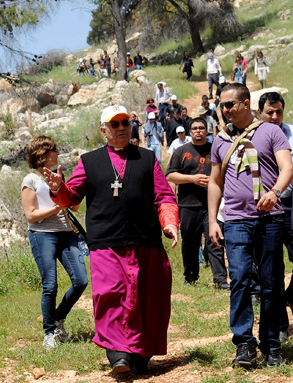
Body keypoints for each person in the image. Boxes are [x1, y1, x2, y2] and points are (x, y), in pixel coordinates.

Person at [45, 105, 179, 375]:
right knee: (110, 296)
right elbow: (72, 199)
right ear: (102, 129)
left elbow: (164, 196)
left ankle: (141, 356)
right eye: (114, 125)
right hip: (107, 243)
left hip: (145, 241)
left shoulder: (148, 158)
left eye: (125, 123)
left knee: (149, 298)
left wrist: (170, 222)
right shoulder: (89, 161)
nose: (121, 129)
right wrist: (59, 188)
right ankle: (118, 355)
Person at [208, 83, 293, 368]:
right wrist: (212, 220)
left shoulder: (271, 131)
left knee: (271, 283)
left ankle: (272, 345)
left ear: (246, 103)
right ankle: (244, 345)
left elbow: (287, 169)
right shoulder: (220, 140)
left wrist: (275, 193)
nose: (225, 109)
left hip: (270, 220)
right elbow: (214, 181)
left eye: (230, 104)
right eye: (222, 105)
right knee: (241, 279)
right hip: (235, 220)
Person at [257, 92, 293, 341]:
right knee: (272, 269)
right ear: (260, 111)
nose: (274, 116)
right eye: (269, 112)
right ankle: (280, 325)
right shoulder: (252, 137)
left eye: (278, 111)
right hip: (263, 210)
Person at [21, 136, 89, 350]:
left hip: (66, 233)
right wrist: (58, 207)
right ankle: (49, 333)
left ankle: (58, 318)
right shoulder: (30, 180)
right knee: (50, 285)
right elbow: (31, 215)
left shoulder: (60, 176)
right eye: (55, 150)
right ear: (43, 153)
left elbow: (74, 207)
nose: (58, 154)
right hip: (42, 235)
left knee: (81, 281)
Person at [167, 118, 230, 290]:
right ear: (190, 131)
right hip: (188, 205)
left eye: (201, 128)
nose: (198, 131)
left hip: (213, 205)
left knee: (215, 241)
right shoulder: (181, 151)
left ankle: (221, 280)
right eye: (194, 128)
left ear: (207, 130)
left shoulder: (214, 150)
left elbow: (225, 172)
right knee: (190, 243)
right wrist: (192, 179)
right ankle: (191, 277)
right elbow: (170, 175)